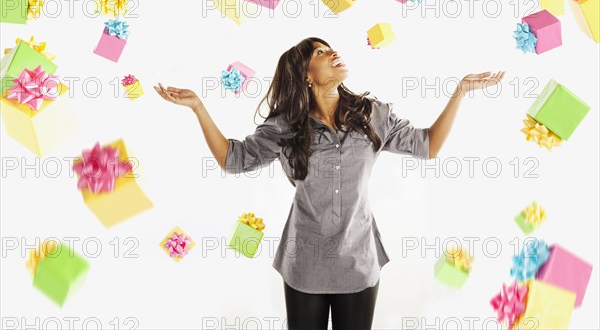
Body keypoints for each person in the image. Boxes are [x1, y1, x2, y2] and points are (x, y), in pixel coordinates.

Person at [154, 37, 505, 330]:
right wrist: (198, 107)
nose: (332, 53)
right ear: (305, 76)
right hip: (305, 262)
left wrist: (461, 91)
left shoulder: (372, 115)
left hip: (358, 261)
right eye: (320, 53)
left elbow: (427, 146)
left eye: (330, 48)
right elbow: (233, 159)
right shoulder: (284, 127)